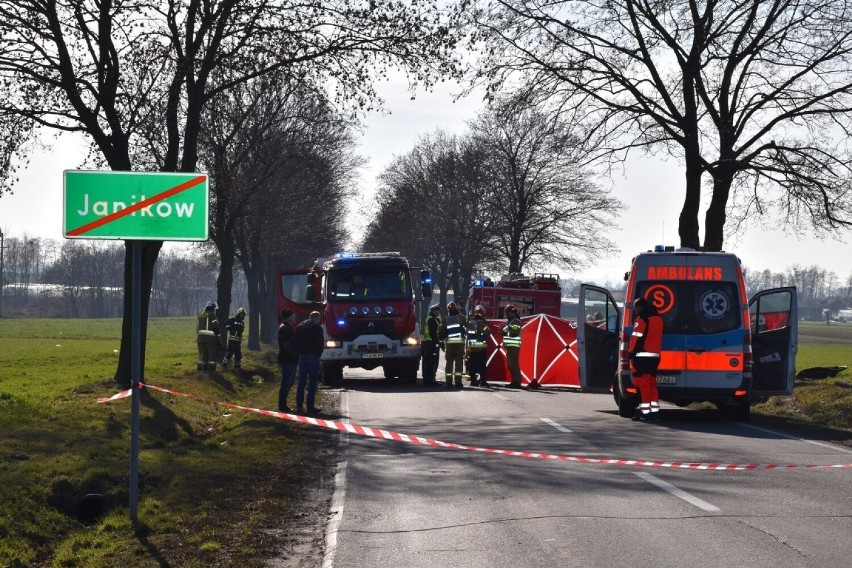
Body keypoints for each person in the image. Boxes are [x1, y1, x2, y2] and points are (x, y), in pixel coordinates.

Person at [629, 296, 664, 420]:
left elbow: (636, 337)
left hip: (642, 357)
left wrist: (630, 352)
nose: (635, 311)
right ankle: (655, 412)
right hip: (655, 357)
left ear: (640, 307)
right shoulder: (658, 319)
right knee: (652, 384)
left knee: (643, 385)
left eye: (635, 308)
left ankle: (645, 413)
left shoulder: (641, 320)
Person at [293, 310, 324, 414]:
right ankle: (310, 406)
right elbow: (320, 343)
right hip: (313, 357)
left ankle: (299, 406)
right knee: (312, 382)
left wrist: (299, 353)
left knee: (301, 382)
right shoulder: (317, 328)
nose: (319, 321)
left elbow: (295, 342)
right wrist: (318, 354)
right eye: (319, 319)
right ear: (316, 318)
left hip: (302, 356)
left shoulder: (299, 327)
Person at [277, 308, 299, 412]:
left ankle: (283, 404)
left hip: (290, 359)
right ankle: (282, 406)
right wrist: (295, 355)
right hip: (287, 359)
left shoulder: (288, 327)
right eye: (294, 316)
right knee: (286, 382)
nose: (295, 318)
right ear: (289, 317)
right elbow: (287, 345)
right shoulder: (285, 329)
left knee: (289, 382)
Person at [442, 301, 466, 388]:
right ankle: (458, 382)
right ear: (456, 309)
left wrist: (441, 342)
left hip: (449, 344)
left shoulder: (445, 319)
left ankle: (448, 382)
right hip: (459, 343)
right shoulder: (461, 317)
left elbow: (441, 331)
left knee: (449, 362)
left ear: (448, 310)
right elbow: (468, 325)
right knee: (459, 362)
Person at [466, 305, 491, 387]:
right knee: (482, 366)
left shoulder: (471, 322)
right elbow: (488, 332)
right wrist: (485, 324)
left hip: (472, 348)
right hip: (480, 348)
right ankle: (483, 382)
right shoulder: (480, 323)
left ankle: (473, 381)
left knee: (472, 365)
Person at [196, 300, 221, 371]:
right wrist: (218, 336)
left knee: (203, 354)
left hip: (200, 338)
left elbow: (197, 328)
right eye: (214, 308)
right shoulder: (212, 314)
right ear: (212, 307)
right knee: (212, 354)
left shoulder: (201, 315)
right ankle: (211, 370)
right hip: (210, 339)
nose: (215, 310)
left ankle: (201, 370)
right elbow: (215, 326)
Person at [421, 303, 442, 386]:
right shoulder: (431, 320)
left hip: (430, 344)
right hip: (431, 344)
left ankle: (429, 379)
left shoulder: (435, 319)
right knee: (431, 362)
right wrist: (437, 341)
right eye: (437, 310)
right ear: (433, 311)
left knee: (430, 362)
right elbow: (433, 333)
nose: (439, 312)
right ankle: (430, 380)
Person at [502, 304, 523, 388]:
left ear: (512, 312)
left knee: (514, 364)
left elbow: (514, 332)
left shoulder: (515, 321)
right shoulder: (511, 321)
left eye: (507, 312)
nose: (506, 314)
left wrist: (504, 333)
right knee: (511, 365)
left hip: (513, 346)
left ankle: (517, 382)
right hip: (510, 346)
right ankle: (514, 381)